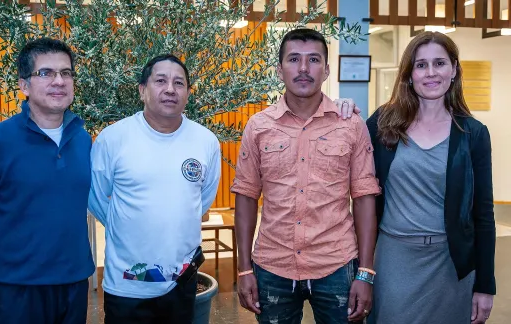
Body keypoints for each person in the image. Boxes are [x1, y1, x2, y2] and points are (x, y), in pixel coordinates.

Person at [231, 28, 380, 324]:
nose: (303, 69)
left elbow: (364, 199)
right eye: (294, 59)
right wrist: (244, 269)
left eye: (313, 60)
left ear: (326, 70)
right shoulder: (258, 126)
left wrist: (366, 272)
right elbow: (246, 197)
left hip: (337, 264)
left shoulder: (350, 125)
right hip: (273, 266)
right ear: (279, 69)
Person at [0, 38, 95, 324]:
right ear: (24, 85)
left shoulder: (82, 139)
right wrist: (0, 256)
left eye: (66, 73)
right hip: (18, 289)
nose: (59, 81)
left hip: (75, 283)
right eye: (46, 73)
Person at [365, 31, 495, 324]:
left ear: (454, 70)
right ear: (409, 74)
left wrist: (485, 286)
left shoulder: (473, 134)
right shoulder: (384, 122)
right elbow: (347, 155)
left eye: (440, 63)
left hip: (451, 264)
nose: (431, 72)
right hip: (394, 258)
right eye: (421, 65)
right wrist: (342, 109)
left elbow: (483, 215)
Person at [88, 54, 221, 323]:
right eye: (160, 81)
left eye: (179, 83)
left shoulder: (205, 141)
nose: (170, 89)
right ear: (142, 91)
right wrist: (123, 224)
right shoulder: (113, 139)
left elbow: (201, 201)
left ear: (187, 93)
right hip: (127, 285)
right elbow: (95, 195)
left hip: (181, 283)